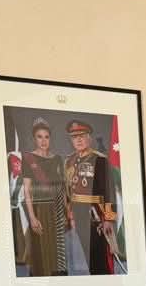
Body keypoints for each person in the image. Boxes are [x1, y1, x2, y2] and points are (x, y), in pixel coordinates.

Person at [64, 120, 119, 275]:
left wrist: (108, 219)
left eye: (82, 136)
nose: (78, 140)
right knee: (87, 254)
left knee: (100, 256)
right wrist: (69, 213)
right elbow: (68, 189)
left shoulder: (99, 159)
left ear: (89, 138)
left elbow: (109, 190)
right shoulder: (69, 161)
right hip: (78, 214)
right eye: (75, 137)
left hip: (96, 214)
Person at [22, 118, 72, 277]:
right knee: (42, 253)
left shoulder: (57, 159)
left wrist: (66, 212)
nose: (43, 141)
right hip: (40, 210)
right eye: (39, 137)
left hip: (57, 210)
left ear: (50, 138)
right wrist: (32, 217)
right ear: (34, 138)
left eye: (46, 137)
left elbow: (62, 188)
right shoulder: (28, 158)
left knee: (58, 254)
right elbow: (27, 190)